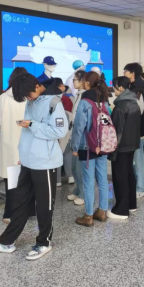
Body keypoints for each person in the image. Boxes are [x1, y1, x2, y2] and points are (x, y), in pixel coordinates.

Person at [0, 73, 69, 261]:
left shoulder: (54, 102)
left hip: (45, 163)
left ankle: (44, 243)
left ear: (37, 86)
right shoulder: (32, 100)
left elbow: (59, 131)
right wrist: (23, 155)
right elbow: (27, 133)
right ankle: (7, 241)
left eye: (28, 95)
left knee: (44, 206)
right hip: (28, 161)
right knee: (20, 203)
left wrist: (32, 124)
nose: (28, 98)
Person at [71, 72, 111, 227]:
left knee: (88, 182)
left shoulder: (85, 101)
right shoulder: (104, 100)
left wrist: (75, 146)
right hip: (102, 145)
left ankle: (88, 215)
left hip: (87, 147)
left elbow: (78, 127)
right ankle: (102, 211)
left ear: (87, 83)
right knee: (102, 179)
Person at [0, 68, 31, 224]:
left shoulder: (4, 97)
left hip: (9, 144)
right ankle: (28, 211)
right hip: (27, 144)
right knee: (27, 180)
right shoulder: (30, 98)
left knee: (10, 181)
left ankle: (9, 214)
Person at [108, 77, 141, 220]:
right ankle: (131, 204)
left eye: (115, 86)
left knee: (120, 176)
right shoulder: (134, 102)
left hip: (121, 146)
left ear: (121, 88)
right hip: (132, 144)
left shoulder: (121, 106)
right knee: (129, 174)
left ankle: (121, 210)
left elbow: (116, 130)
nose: (113, 89)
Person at [124, 63, 144, 200]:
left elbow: (139, 110)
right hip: (136, 128)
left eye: (126, 71)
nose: (124, 73)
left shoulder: (138, 88)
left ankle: (140, 188)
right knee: (136, 159)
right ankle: (136, 185)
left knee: (138, 158)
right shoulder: (134, 86)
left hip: (138, 129)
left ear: (132, 73)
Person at [50, 78, 75, 188]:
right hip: (68, 129)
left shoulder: (54, 100)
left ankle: (58, 180)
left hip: (57, 129)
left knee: (57, 155)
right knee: (67, 154)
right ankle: (70, 176)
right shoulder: (68, 98)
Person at [67, 70, 87, 206]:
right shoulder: (78, 94)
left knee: (80, 168)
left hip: (82, 136)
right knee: (74, 167)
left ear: (82, 81)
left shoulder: (85, 96)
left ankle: (83, 194)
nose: (73, 82)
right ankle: (77, 189)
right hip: (74, 133)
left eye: (75, 79)